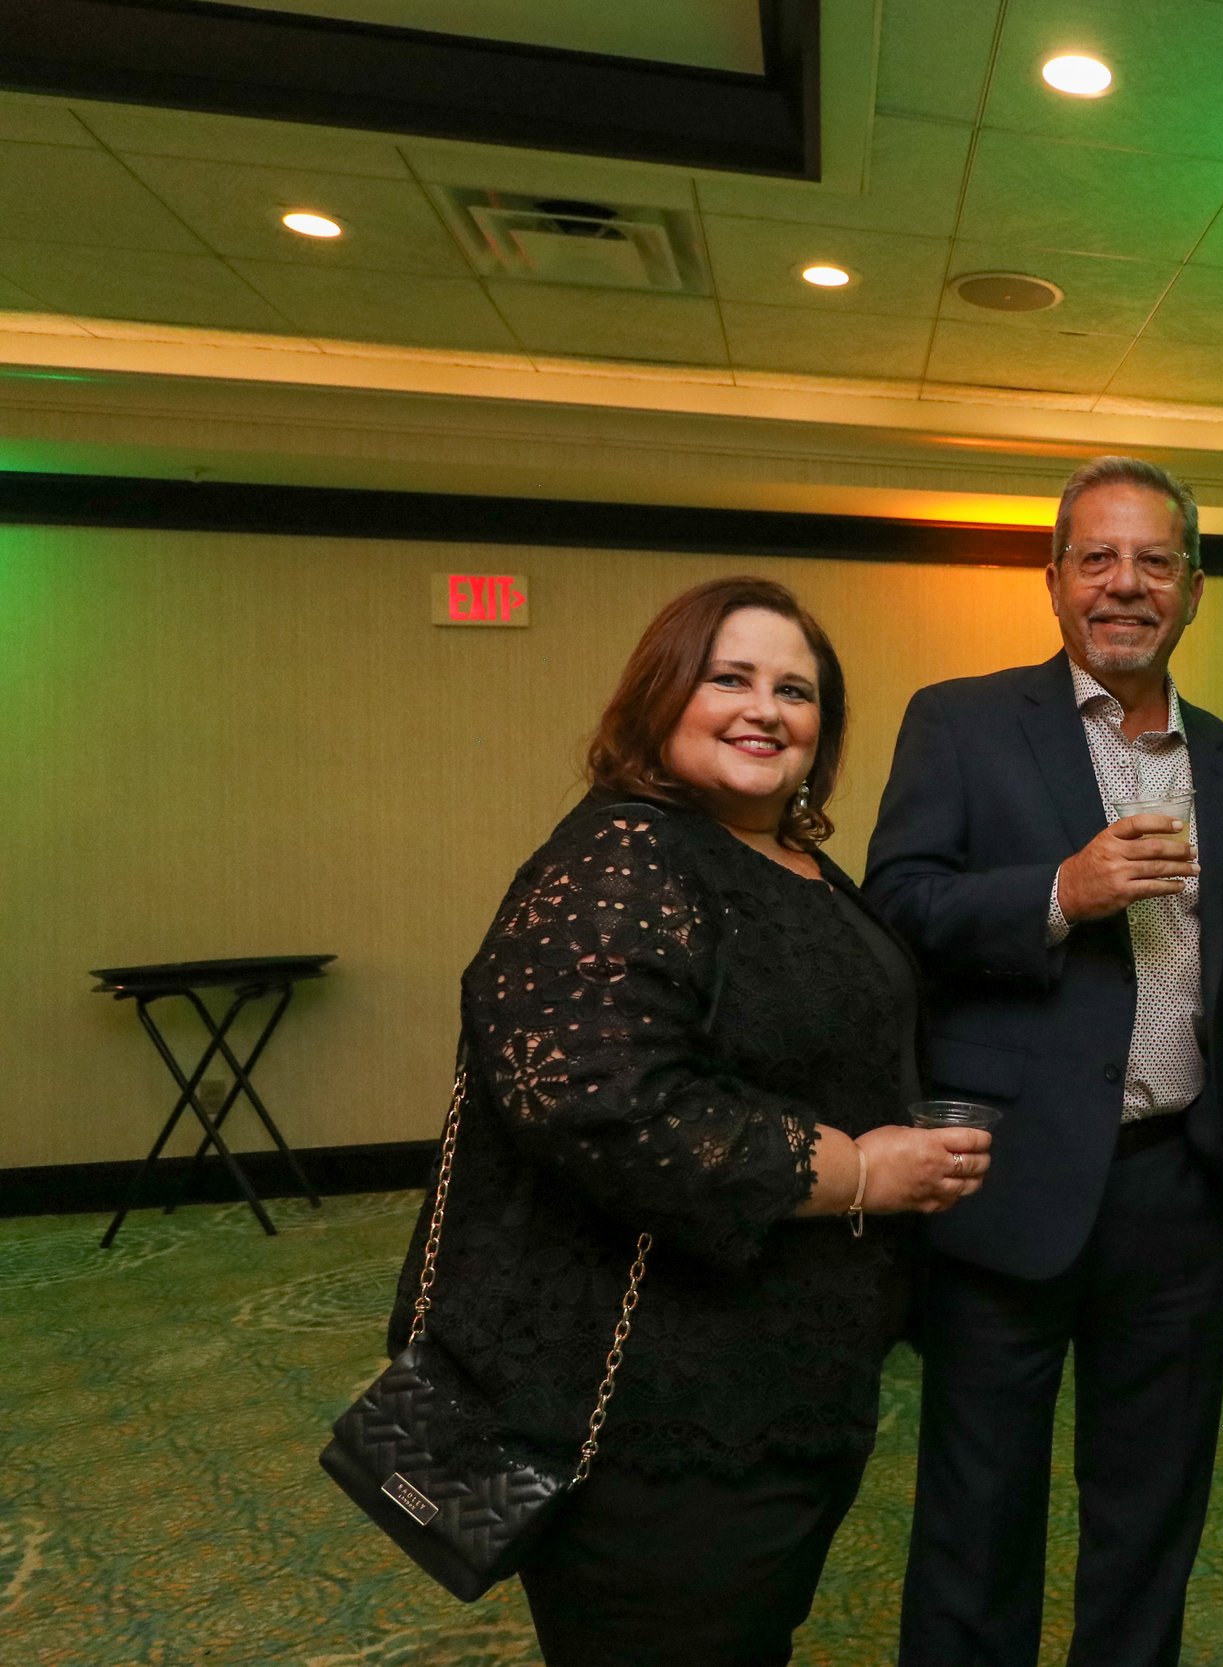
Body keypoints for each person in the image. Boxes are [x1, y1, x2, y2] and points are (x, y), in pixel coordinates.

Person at [384, 576, 991, 1667]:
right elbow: (599, 1099)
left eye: (796, 690)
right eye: (730, 678)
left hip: (786, 1379)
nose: (766, 709)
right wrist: (858, 1171)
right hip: (648, 1414)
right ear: (661, 695)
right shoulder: (627, 849)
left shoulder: (793, 859)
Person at [866, 457, 1223, 1667]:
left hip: (1179, 1185)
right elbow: (897, 906)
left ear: (1194, 588)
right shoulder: (961, 720)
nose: (1124, 584)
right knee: (979, 1501)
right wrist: (1058, 890)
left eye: (1154, 561)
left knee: (1152, 1504)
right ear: (1053, 580)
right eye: (1097, 558)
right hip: (1007, 1174)